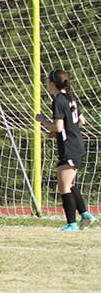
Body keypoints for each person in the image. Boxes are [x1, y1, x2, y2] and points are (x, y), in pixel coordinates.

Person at [35, 69, 95, 231]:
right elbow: (81, 121)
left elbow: (59, 126)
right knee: (70, 184)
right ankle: (85, 214)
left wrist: (43, 121)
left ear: (52, 84)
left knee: (64, 187)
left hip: (69, 147)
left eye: (47, 81)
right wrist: (58, 131)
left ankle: (72, 224)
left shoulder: (59, 101)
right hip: (75, 144)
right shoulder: (70, 99)